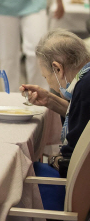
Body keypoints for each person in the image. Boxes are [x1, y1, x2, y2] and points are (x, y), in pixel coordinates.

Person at [20, 29, 90, 210]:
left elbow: (74, 162)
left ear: (58, 68)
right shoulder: (86, 81)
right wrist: (51, 100)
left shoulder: (85, 90)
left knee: (22, 174)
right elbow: (83, 121)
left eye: (46, 76)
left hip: (83, 192)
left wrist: (52, 160)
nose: (49, 84)